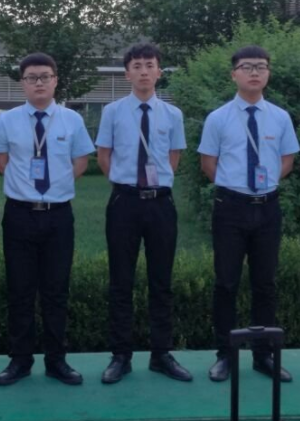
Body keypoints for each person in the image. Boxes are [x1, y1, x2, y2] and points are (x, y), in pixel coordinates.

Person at [0, 52, 95, 386]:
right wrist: (26, 187)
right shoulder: (8, 120)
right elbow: (0, 161)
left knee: (56, 291)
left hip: (58, 216)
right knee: (20, 290)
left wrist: (55, 186)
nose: (39, 83)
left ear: (55, 80)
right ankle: (19, 360)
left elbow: (81, 162)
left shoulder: (72, 120)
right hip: (19, 215)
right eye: (32, 77)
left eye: (45, 76)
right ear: (23, 83)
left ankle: (56, 360)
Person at [198, 45, 299, 383]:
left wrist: (264, 185)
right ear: (234, 74)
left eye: (261, 66)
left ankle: (263, 355)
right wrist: (236, 188)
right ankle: (225, 355)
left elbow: (287, 160)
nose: (254, 72)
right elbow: (208, 164)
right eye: (247, 67)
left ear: (268, 73)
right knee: (226, 283)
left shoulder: (280, 117)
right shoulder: (218, 118)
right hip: (230, 208)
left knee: (265, 283)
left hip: (267, 208)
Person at [96, 43, 192, 384]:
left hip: (160, 204)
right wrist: (126, 184)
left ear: (159, 72)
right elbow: (104, 156)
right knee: (121, 281)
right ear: (127, 74)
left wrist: (154, 185)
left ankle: (161, 354)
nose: (143, 71)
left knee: (161, 281)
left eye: (149, 65)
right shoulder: (112, 112)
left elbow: (173, 158)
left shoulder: (172, 114)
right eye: (136, 66)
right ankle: (121, 356)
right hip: (124, 202)